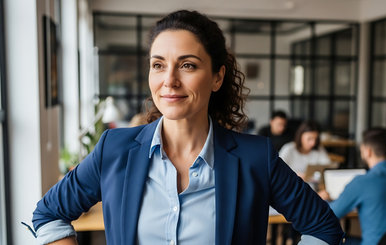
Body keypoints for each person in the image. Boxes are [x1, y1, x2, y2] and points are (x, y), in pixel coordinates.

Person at [32, 10, 344, 245]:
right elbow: (48, 214)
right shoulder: (114, 149)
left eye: (187, 65)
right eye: (158, 65)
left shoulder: (255, 157)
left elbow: (324, 227)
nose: (169, 80)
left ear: (217, 77)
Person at [318, 128, 386, 245]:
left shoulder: (362, 182)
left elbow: (331, 214)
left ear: (368, 151)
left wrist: (322, 200)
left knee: (323, 237)